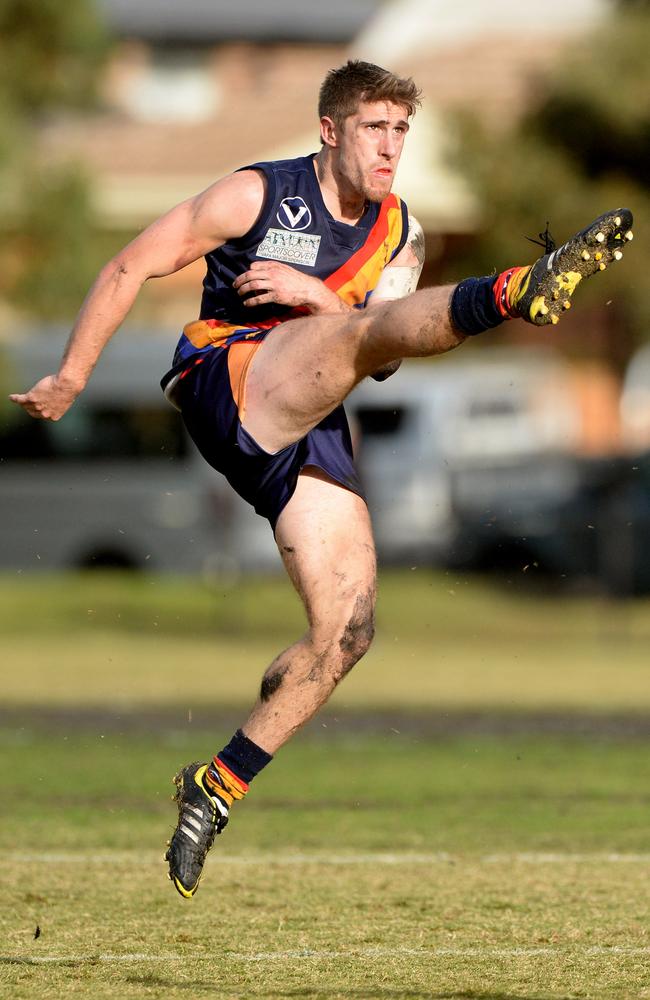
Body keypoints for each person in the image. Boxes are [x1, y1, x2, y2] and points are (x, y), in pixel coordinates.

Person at [9, 60, 633, 899]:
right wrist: (72, 376)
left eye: (402, 131)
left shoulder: (400, 234)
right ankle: (521, 287)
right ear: (331, 131)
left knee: (345, 633)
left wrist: (315, 298)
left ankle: (216, 785)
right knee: (357, 328)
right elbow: (129, 266)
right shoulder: (253, 196)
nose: (391, 147)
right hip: (224, 377)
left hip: (313, 407)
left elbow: (379, 357)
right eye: (375, 128)